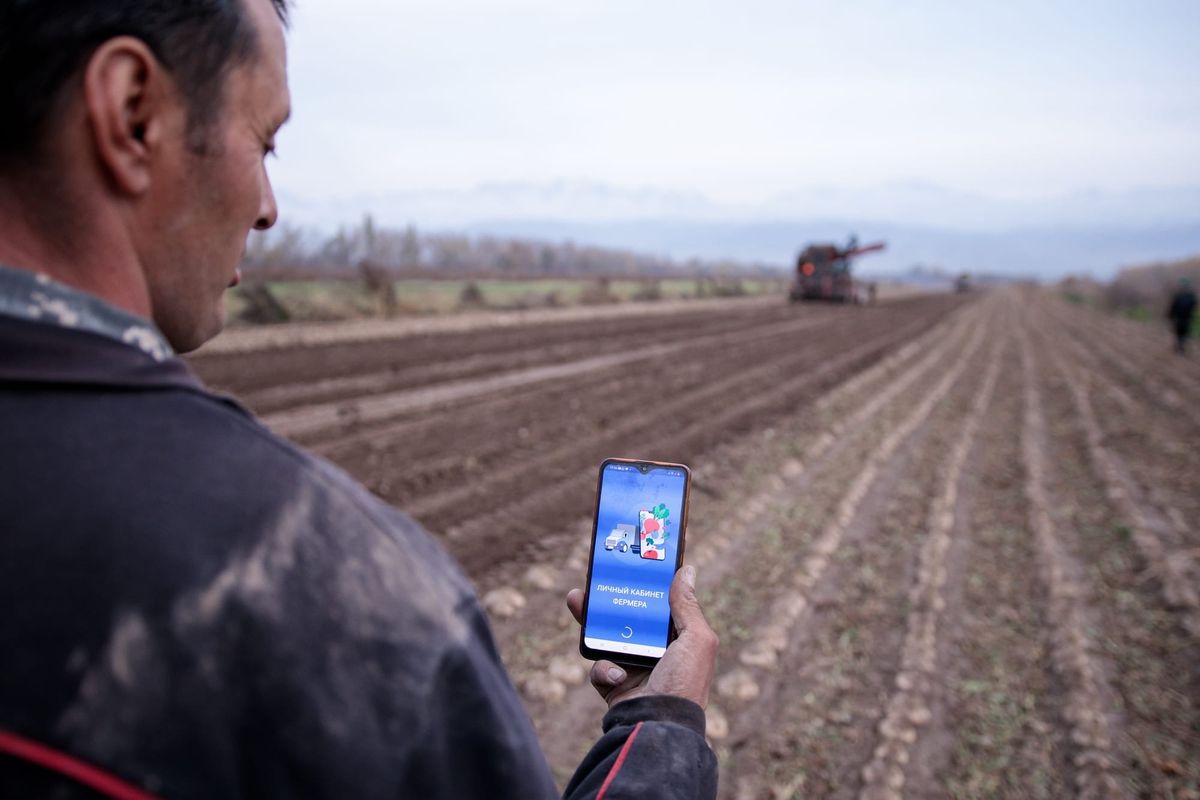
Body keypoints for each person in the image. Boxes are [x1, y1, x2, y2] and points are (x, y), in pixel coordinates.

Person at [0, 1, 719, 797]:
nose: (268, 207)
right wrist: (659, 730)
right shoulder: (342, 598)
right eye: (264, 142)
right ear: (132, 112)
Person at [1167, 277, 1197, 354]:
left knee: (1179, 333)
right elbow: (1194, 306)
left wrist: (1170, 316)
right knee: (1184, 333)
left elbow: (1173, 307)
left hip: (1179, 318)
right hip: (1187, 318)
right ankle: (1181, 347)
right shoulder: (1192, 296)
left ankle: (1179, 347)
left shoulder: (1178, 296)